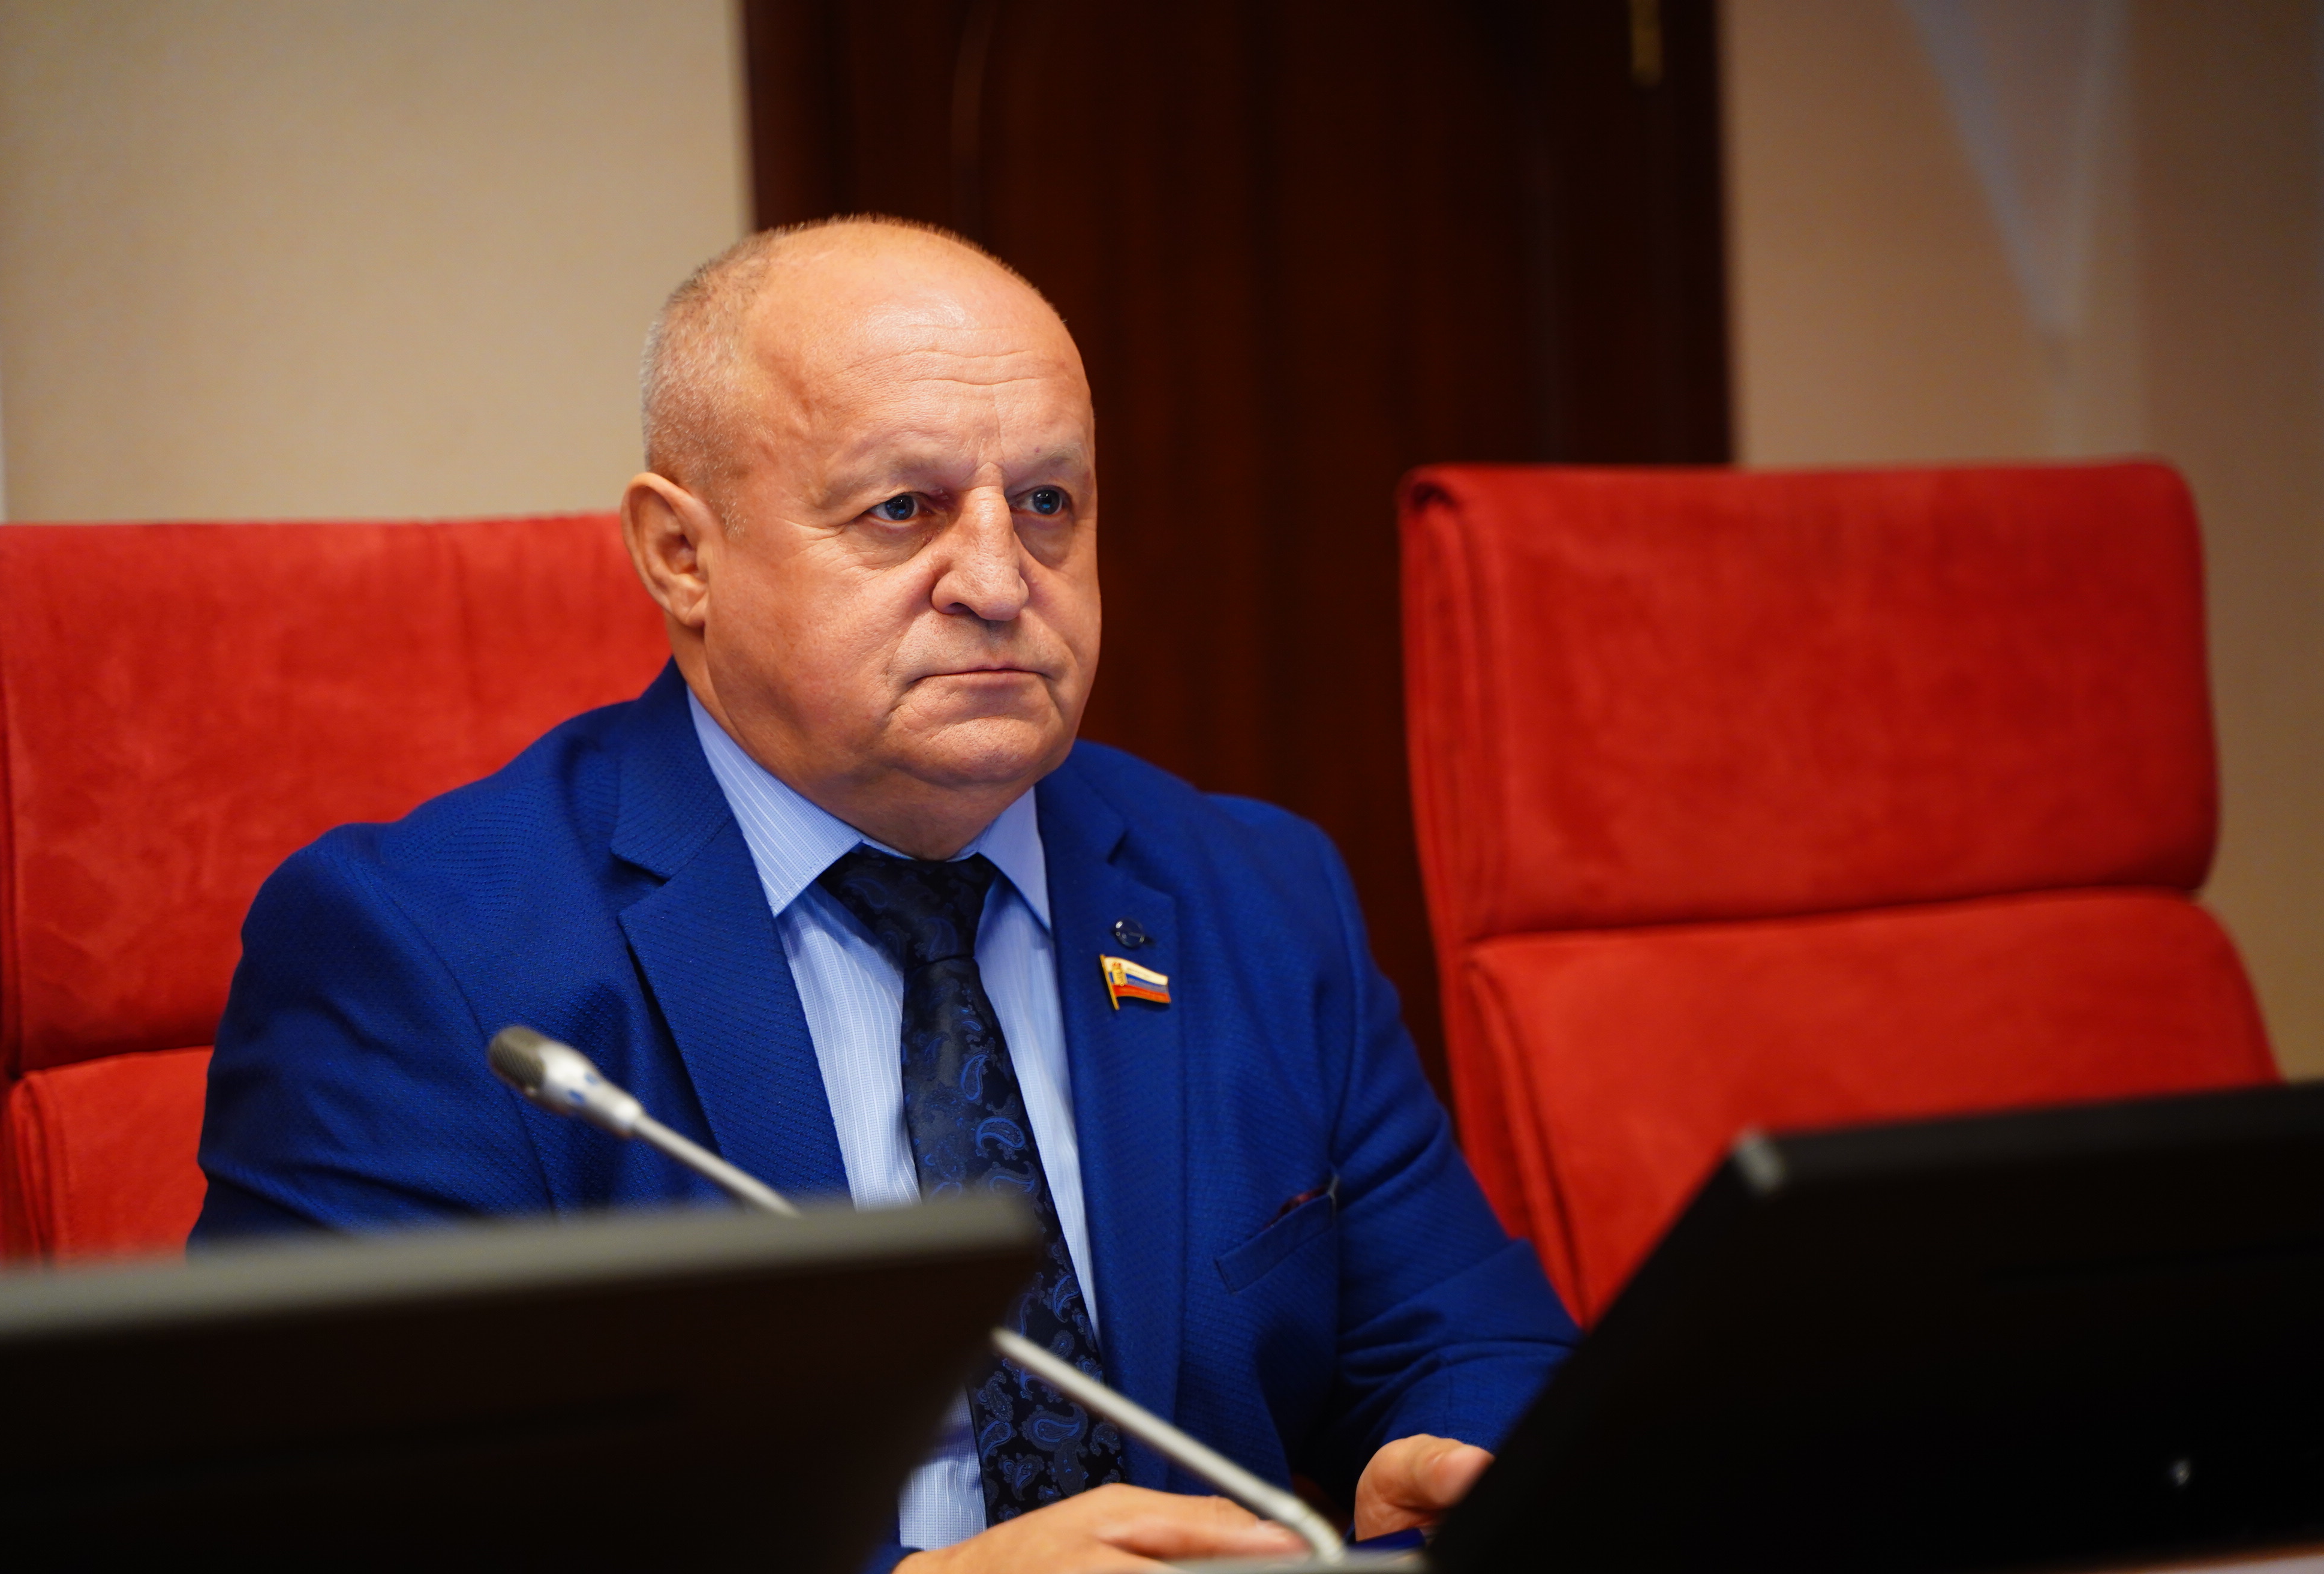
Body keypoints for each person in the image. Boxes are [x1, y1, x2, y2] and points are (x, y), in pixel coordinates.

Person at [194, 216, 1579, 1572]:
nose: (999, 580)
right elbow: (340, 1523)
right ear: (682, 554)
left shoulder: (1254, 894)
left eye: (1047, 504)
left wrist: (1458, 1452)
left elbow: (1472, 1334)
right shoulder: (425, 955)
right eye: (901, 509)